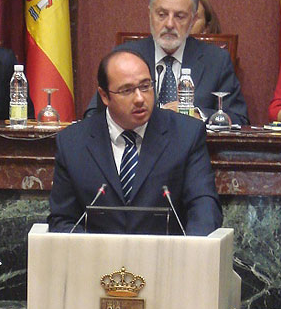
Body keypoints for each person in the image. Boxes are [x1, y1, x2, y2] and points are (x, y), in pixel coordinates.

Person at [49, 49, 222, 235]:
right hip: (98, 260)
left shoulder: (186, 134)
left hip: (166, 259)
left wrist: (190, 252)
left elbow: (204, 206)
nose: (140, 98)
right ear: (105, 96)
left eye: (145, 86)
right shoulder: (73, 143)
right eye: (127, 90)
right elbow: (62, 220)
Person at [84, 0, 248, 125]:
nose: (169, 24)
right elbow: (94, 114)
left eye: (179, 16)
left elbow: (239, 118)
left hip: (192, 153)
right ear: (150, 15)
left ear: (192, 20)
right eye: (162, 14)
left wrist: (196, 114)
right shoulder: (125, 57)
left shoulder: (216, 61)